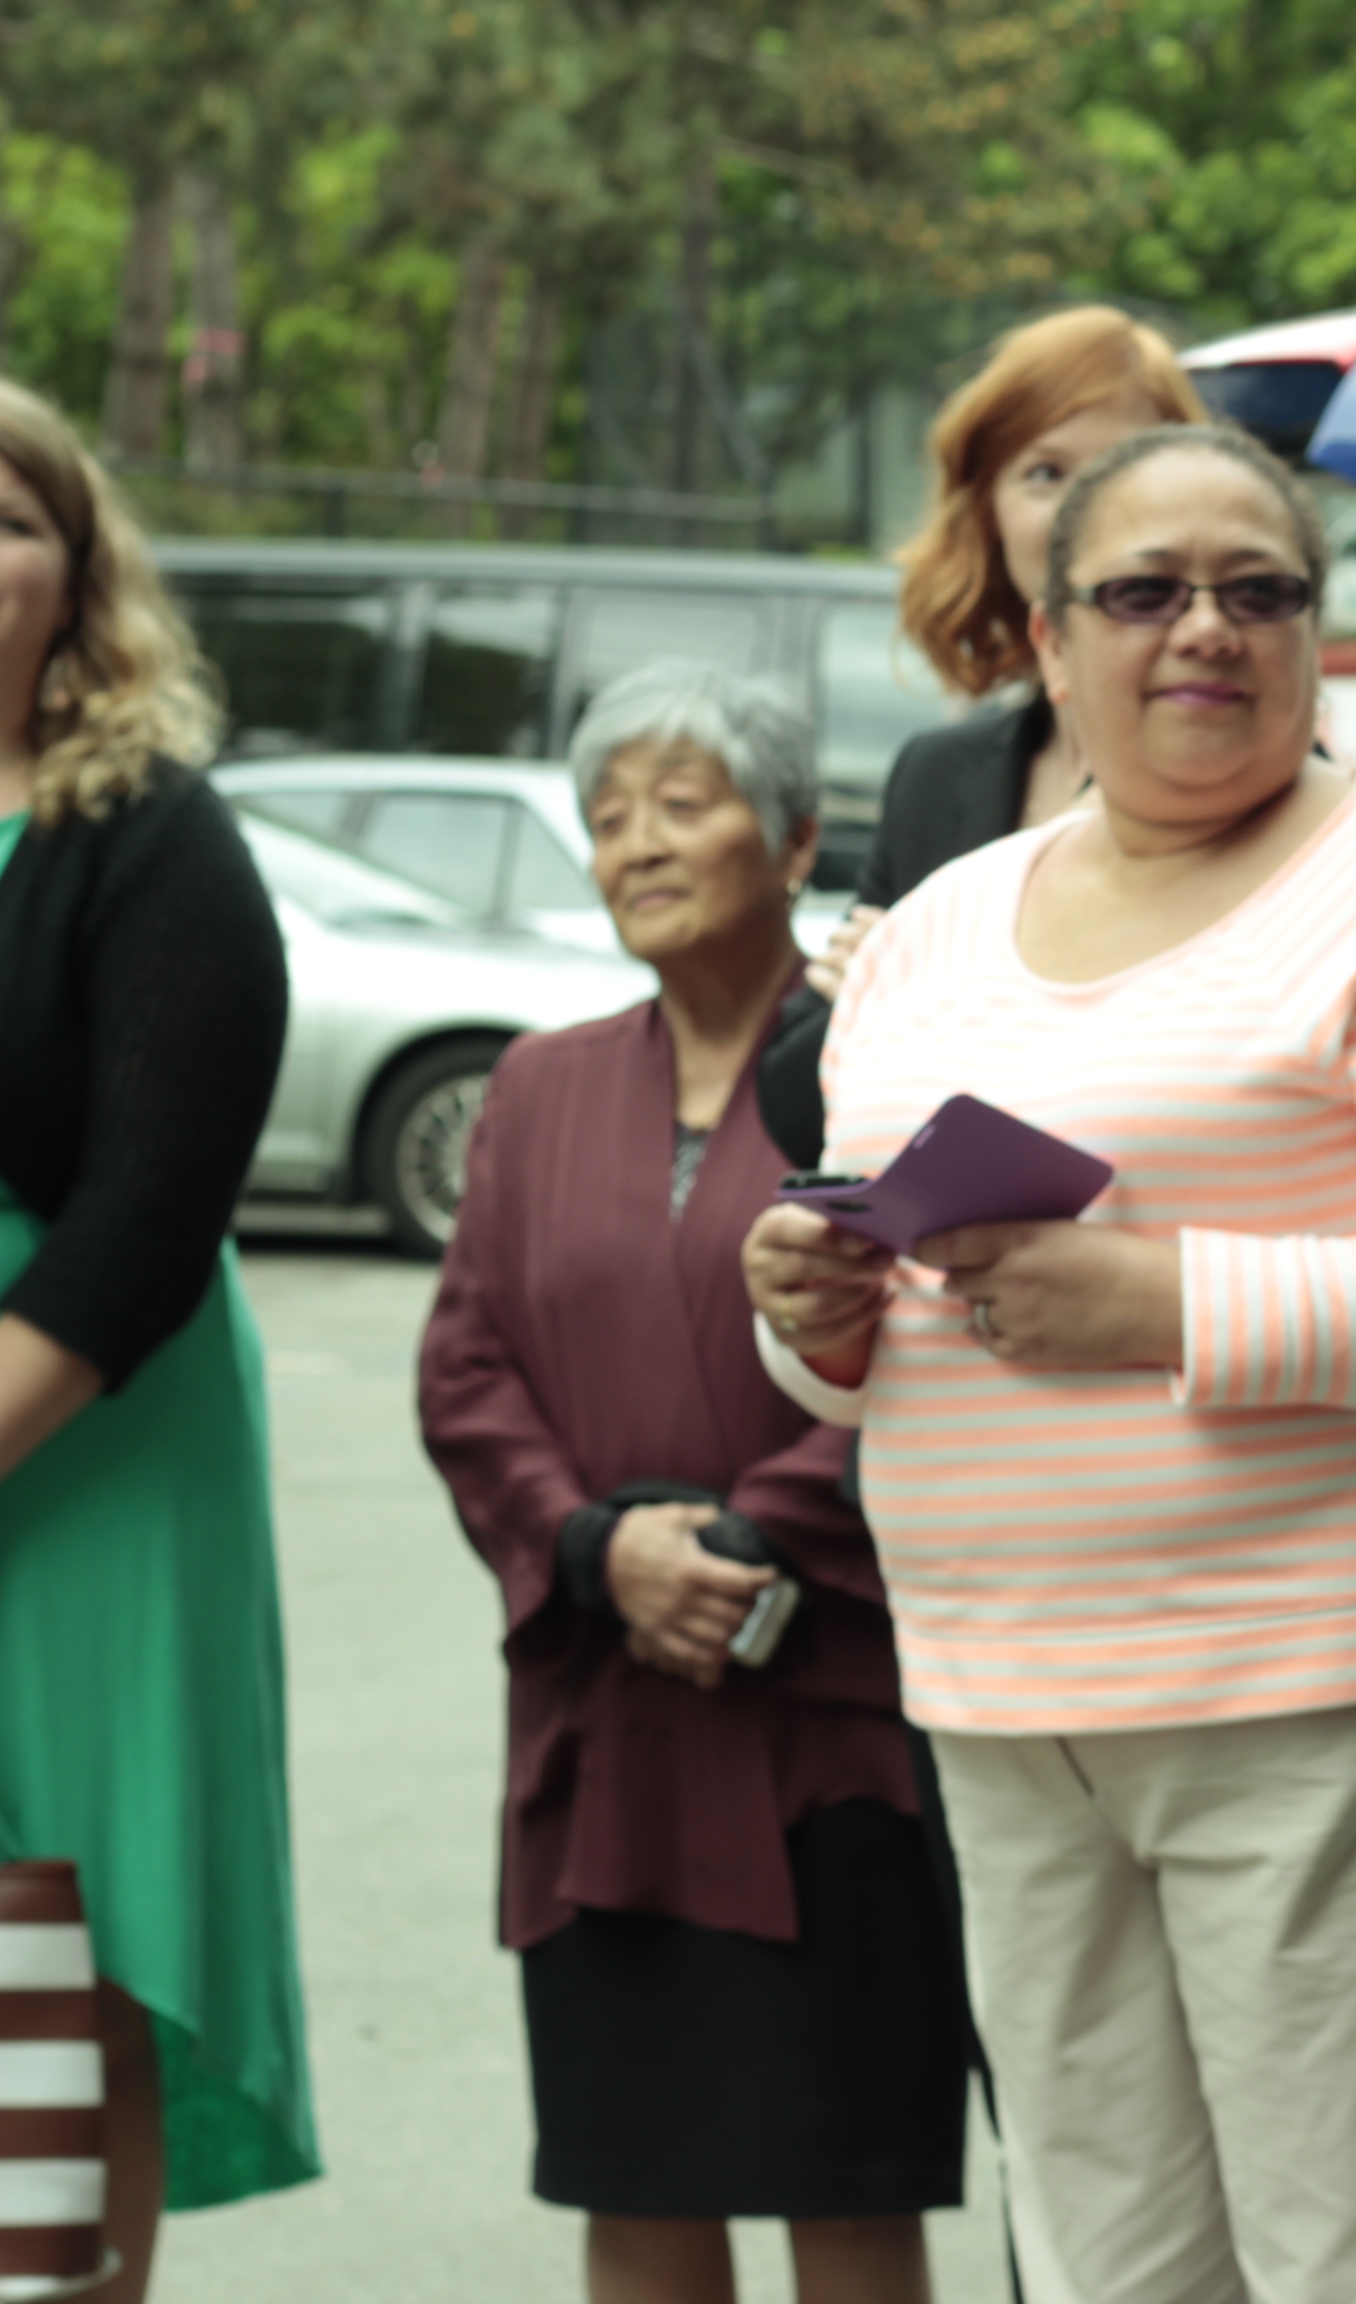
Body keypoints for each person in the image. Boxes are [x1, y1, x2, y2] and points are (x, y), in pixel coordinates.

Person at [740, 421, 1356, 2304]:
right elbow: (899, 1319)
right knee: (1107, 2269)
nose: (1205, 629)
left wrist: (1166, 1300)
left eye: (1260, 589)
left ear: (1317, 638)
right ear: (1049, 641)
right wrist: (811, 1321)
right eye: (1145, 590)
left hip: (1347, 1700)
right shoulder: (929, 931)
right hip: (1011, 1707)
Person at [418, 662, 970, 2304]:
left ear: (795, 836)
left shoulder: (882, 1060)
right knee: (632, 2175)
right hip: (607, 1711)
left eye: (683, 799)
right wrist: (598, 1548)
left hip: (827, 1701)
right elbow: (466, 1365)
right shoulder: (537, 1081)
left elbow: (937, 1343)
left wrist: (741, 1541)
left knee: (842, 2182)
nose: (635, 843)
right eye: (605, 815)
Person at [0, 376, 315, 2300]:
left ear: (78, 573)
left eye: (14, 517)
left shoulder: (154, 830)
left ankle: (77, 2280)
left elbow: (149, 1207)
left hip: (93, 1419)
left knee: (73, 1905)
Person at [757, 304, 1204, 1170]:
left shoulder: (1256, 782)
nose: (1087, 505)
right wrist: (873, 1002)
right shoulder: (939, 777)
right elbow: (794, 1103)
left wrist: (913, 999)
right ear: (989, 515)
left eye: (1123, 468)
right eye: (1045, 472)